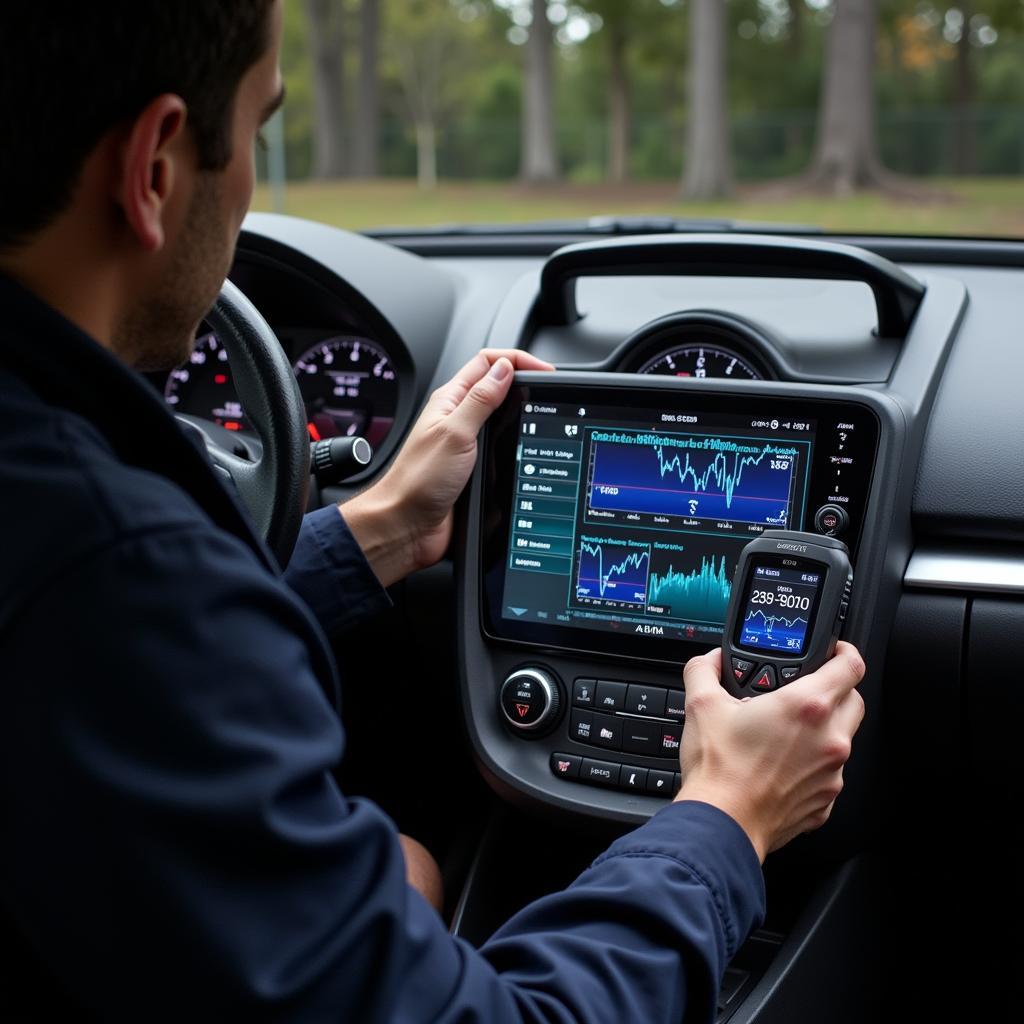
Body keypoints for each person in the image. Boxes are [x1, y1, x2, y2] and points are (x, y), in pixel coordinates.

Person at [0, 3, 866, 1021]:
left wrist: (377, 534)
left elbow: (110, 661)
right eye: (257, 133)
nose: (243, 193)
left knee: (411, 864)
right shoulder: (116, 571)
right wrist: (726, 814)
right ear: (153, 169)